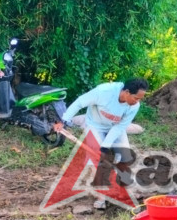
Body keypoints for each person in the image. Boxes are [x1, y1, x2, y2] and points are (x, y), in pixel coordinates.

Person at [53, 78, 149, 210]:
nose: (137, 102)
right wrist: (63, 120)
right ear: (126, 92)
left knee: (125, 157)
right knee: (95, 162)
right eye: (136, 98)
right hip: (95, 126)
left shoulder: (134, 106)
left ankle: (125, 191)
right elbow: (80, 103)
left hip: (116, 128)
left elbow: (120, 127)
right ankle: (101, 197)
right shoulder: (104, 92)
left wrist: (105, 146)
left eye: (140, 99)